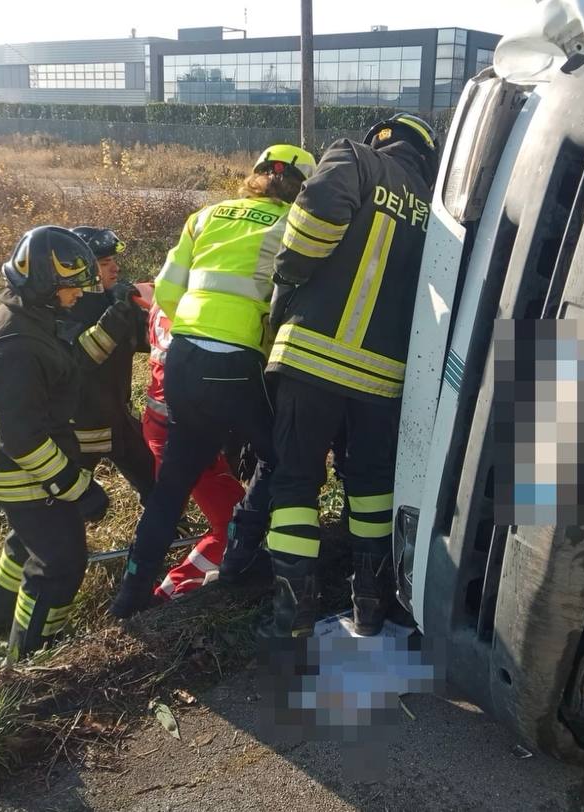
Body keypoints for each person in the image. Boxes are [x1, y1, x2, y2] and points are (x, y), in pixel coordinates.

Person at [109, 144, 318, 618]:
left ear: (256, 175)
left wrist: (197, 330)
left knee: (173, 484)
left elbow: (166, 291)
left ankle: (131, 595)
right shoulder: (293, 225)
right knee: (279, 457)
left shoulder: (205, 216)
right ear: (303, 189)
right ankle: (243, 552)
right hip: (237, 362)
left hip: (183, 358)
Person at [263, 113, 439, 637]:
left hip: (312, 358)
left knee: (296, 481)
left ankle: (292, 617)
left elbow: (314, 217)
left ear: (381, 139)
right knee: (371, 486)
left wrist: (289, 275)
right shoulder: (439, 209)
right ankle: (371, 606)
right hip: (382, 380)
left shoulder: (356, 159)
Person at [0, 225, 132, 660]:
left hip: (11, 463)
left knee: (27, 542)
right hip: (18, 471)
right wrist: (77, 488)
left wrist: (115, 320)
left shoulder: (30, 317)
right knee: (60, 564)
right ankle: (32, 657)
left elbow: (71, 363)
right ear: (44, 284)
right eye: (71, 286)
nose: (79, 294)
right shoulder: (18, 348)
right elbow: (22, 439)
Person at [131, 282, 249, 600]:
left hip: (163, 426)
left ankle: (149, 587)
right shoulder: (206, 312)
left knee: (170, 514)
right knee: (236, 522)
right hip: (183, 433)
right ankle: (170, 592)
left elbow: (145, 290)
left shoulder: (168, 295)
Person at [60, 226, 154, 501]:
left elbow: (146, 341)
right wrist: (119, 309)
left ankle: (167, 524)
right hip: (80, 429)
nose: (115, 268)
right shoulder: (65, 307)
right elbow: (84, 358)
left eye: (113, 261)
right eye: (104, 263)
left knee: (155, 482)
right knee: (70, 499)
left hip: (119, 419)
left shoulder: (113, 300)